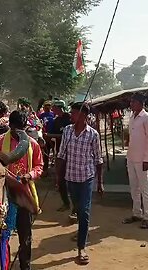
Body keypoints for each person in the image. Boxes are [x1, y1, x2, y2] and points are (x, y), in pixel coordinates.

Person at [0, 110, 44, 270]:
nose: (19, 132)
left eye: (22, 128)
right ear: (10, 126)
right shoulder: (0, 142)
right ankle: (1, 263)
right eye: (16, 129)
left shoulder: (32, 143)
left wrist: (29, 175)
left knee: (25, 233)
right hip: (3, 193)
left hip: (23, 192)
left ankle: (25, 266)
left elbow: (39, 166)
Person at [57, 102, 103, 265]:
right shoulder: (68, 131)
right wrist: (59, 177)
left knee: (84, 212)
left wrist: (100, 182)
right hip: (71, 178)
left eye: (74, 113)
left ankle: (81, 248)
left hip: (87, 178)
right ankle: (82, 229)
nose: (71, 116)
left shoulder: (93, 135)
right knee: (77, 209)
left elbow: (98, 159)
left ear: (83, 116)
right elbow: (61, 155)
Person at [122, 93, 148, 229]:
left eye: (134, 102)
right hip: (131, 157)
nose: (131, 104)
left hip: (142, 159)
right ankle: (137, 213)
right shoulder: (132, 117)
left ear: (141, 103)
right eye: (131, 102)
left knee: (144, 188)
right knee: (133, 187)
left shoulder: (147, 118)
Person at [47, 100, 73, 212]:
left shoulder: (70, 119)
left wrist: (51, 135)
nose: (53, 110)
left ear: (60, 108)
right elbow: (53, 133)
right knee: (61, 179)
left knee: (73, 180)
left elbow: (67, 135)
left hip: (72, 153)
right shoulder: (56, 120)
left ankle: (76, 206)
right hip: (60, 153)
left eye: (54, 108)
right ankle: (66, 203)